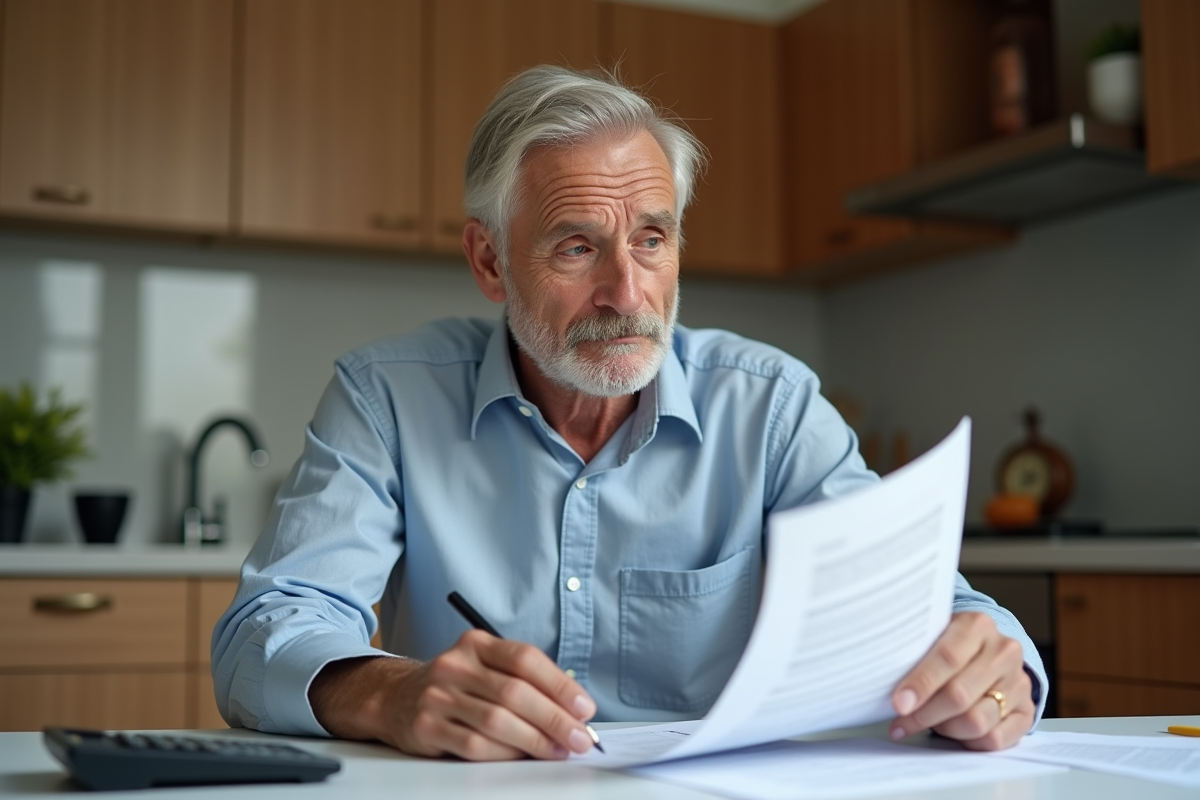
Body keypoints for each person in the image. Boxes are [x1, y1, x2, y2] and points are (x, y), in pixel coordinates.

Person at [212, 65, 1046, 762]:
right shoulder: (385, 398)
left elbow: (915, 604)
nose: (627, 291)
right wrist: (391, 691)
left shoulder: (773, 406)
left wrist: (990, 661)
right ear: (490, 260)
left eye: (652, 238)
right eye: (578, 246)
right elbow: (263, 634)